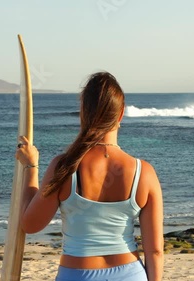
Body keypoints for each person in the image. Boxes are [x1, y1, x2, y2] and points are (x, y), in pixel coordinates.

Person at [15, 72, 164, 281]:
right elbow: (155, 251)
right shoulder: (144, 172)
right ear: (120, 114)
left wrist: (30, 166)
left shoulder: (65, 166)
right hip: (131, 274)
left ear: (83, 113)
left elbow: (30, 224)